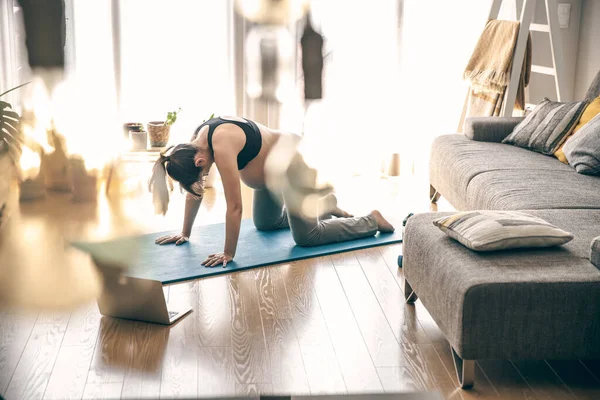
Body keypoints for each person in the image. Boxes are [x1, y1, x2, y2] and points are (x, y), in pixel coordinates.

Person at [149, 115, 395, 267]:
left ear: (199, 162)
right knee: (265, 223)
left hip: (292, 164)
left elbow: (234, 207)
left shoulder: (220, 145)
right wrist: (185, 232)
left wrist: (228, 253)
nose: (203, 180)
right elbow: (196, 192)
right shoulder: (197, 141)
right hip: (270, 177)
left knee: (307, 237)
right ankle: (321, 206)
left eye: (200, 176)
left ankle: (371, 220)